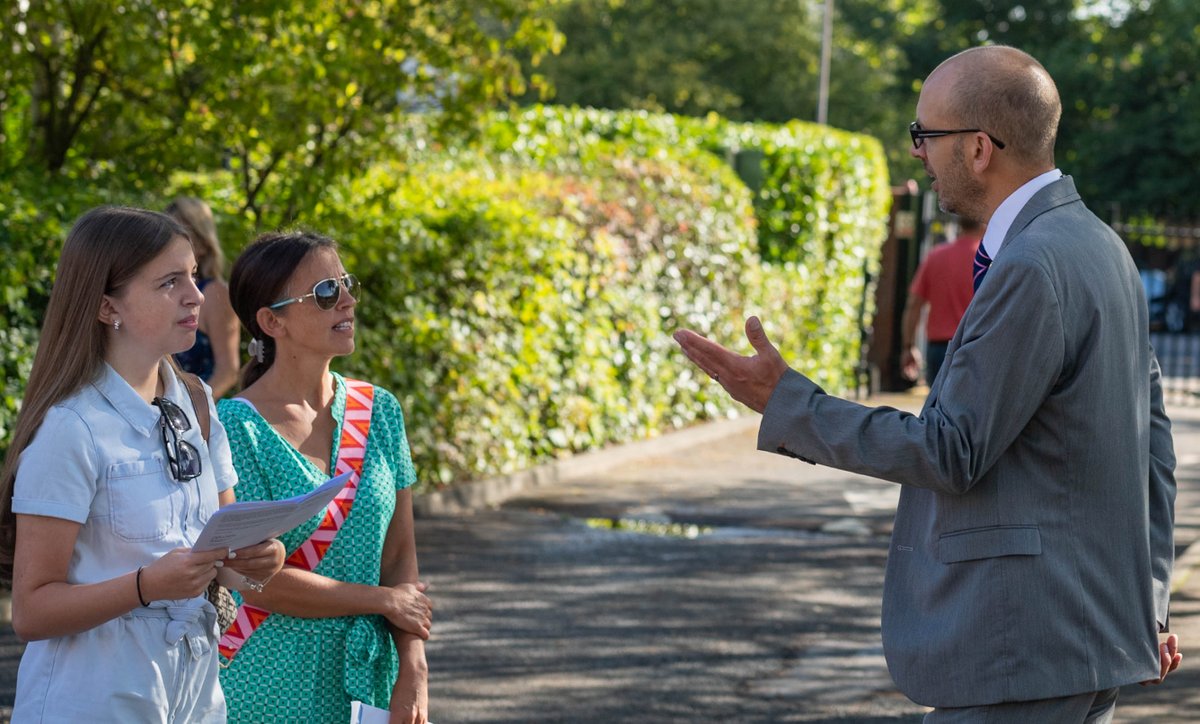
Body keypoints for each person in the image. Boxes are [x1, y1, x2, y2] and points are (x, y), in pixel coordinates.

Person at [674, 46, 1181, 721]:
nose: (917, 152)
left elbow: (949, 450)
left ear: (978, 148)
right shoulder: (1100, 245)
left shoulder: (1033, 263)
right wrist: (1147, 605)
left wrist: (789, 403)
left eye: (923, 134)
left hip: (1020, 648)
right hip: (1079, 643)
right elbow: (1153, 448)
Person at [0, 206, 285, 722]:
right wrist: (144, 586)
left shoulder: (197, 404)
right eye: (170, 282)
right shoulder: (72, 428)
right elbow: (32, 611)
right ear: (108, 306)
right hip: (93, 703)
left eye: (193, 276)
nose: (196, 296)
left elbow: (226, 553)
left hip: (194, 699)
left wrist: (259, 561)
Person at [216, 231, 432, 723]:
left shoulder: (381, 411)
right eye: (326, 293)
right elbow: (254, 578)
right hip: (264, 682)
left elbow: (399, 556)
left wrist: (414, 668)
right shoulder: (233, 428)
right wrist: (382, 601)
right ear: (272, 321)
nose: (349, 301)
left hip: (370, 676)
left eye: (346, 285)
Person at [166, 196, 240, 398]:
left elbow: (228, 371)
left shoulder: (215, 293)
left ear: (203, 243)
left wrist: (194, 409)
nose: (173, 243)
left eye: (184, 234)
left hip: (201, 410)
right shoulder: (160, 290)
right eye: (168, 235)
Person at [900, 217, 985, 384]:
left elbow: (913, 305)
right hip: (974, 347)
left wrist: (908, 346)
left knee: (937, 400)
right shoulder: (986, 261)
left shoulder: (936, 256)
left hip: (938, 349)